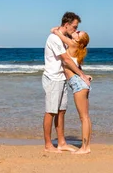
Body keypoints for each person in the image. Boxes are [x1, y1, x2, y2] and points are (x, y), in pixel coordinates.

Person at [42, 12, 91, 153]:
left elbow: (72, 55)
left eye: (77, 29)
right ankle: (48, 144)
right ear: (67, 25)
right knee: (51, 111)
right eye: (74, 27)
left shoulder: (65, 39)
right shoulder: (55, 39)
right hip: (53, 78)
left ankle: (62, 142)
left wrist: (57, 30)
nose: (75, 30)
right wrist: (82, 74)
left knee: (61, 111)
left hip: (62, 79)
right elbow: (67, 60)